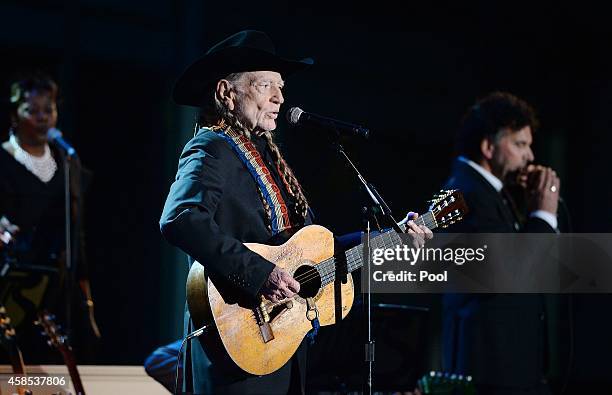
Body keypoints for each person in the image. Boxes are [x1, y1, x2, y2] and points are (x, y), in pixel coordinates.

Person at [159, 30, 431, 394]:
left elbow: (316, 254)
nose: (280, 97)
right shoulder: (211, 147)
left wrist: (390, 238)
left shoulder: (270, 158)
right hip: (237, 342)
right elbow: (180, 218)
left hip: (281, 342)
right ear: (227, 92)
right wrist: (261, 274)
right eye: (267, 85)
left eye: (281, 87)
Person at [441, 92, 560, 395]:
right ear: (488, 147)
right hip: (492, 373)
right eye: (520, 144)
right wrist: (543, 215)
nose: (530, 156)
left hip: (508, 371)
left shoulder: (491, 193)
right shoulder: (466, 194)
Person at [0, 73, 98, 363]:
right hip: (16, 285)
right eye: (32, 111)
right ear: (15, 115)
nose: (43, 118)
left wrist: (87, 301)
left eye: (49, 109)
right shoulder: (4, 161)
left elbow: (76, 235)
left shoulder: (68, 164)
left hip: (58, 288)